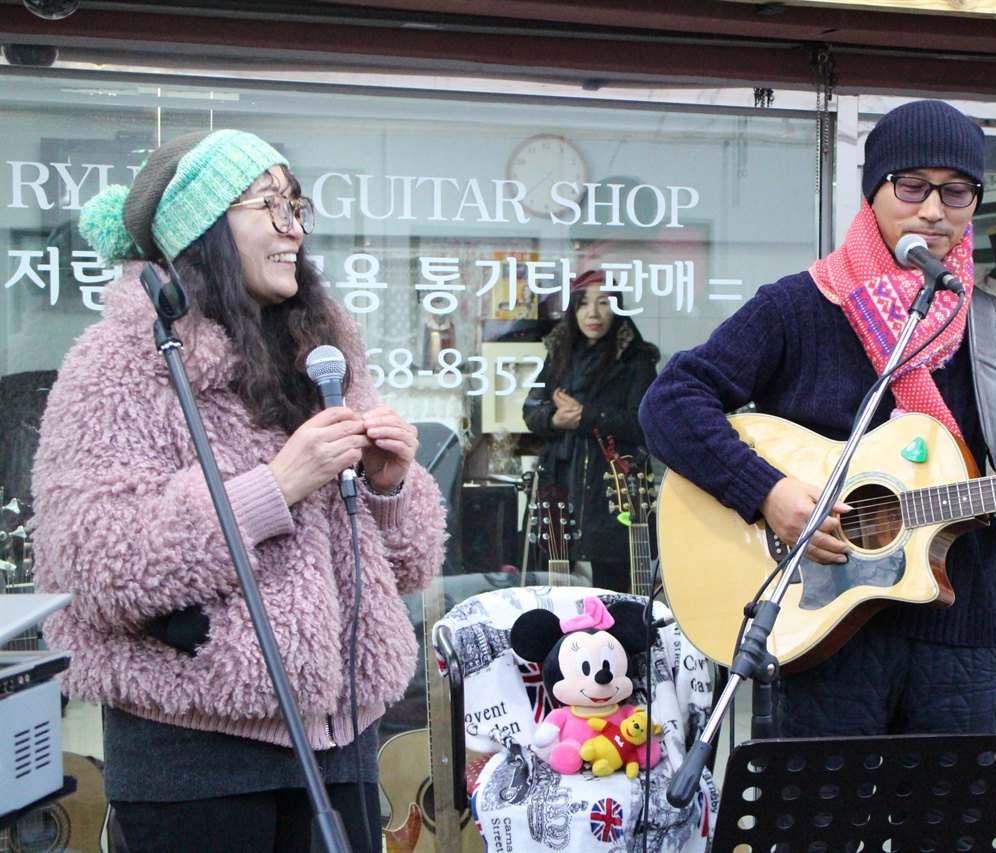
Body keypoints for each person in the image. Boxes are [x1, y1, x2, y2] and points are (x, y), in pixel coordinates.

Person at [638, 99, 996, 738]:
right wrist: (767, 492)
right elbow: (671, 402)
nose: (935, 210)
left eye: (957, 191)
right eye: (912, 186)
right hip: (817, 633)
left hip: (955, 641)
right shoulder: (799, 307)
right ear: (874, 190)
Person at [31, 130, 447, 852]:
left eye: (297, 204)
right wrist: (276, 486)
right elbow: (89, 561)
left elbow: (406, 567)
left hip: (340, 739)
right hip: (196, 750)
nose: (295, 226)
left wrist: (388, 488)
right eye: (269, 204)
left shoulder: (323, 352)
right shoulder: (118, 360)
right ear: (205, 227)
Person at [523, 270, 660, 593]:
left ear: (618, 307)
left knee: (613, 591)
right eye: (584, 304)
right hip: (561, 483)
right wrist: (556, 419)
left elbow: (644, 424)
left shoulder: (636, 359)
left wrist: (587, 417)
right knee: (556, 590)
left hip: (615, 492)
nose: (593, 313)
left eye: (603, 303)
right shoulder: (560, 353)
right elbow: (531, 411)